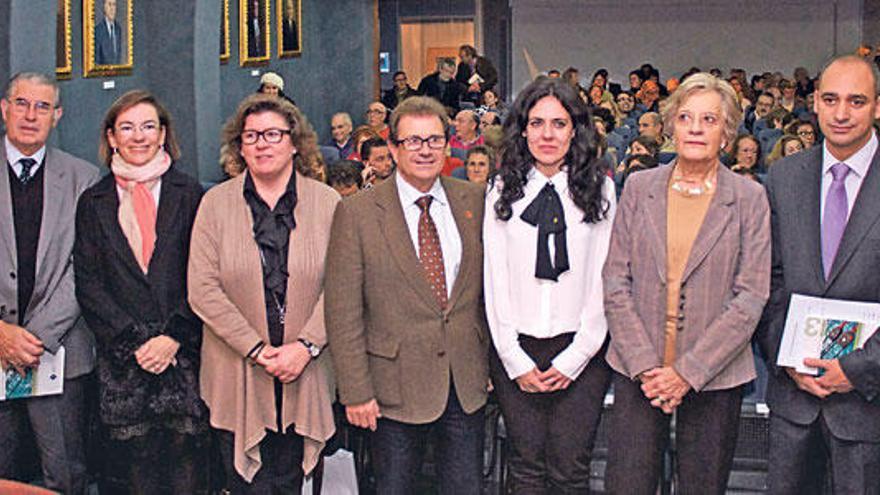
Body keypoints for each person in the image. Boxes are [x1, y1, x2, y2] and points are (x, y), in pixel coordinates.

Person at [603, 73, 771, 494]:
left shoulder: (749, 199)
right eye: (685, 117)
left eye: (709, 119)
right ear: (670, 126)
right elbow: (615, 281)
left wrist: (687, 373)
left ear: (727, 133)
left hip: (715, 376)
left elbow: (750, 297)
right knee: (627, 485)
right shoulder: (639, 188)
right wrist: (646, 366)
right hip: (637, 370)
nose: (696, 128)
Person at [325, 96, 488, 494]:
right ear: (394, 148)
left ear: (448, 145)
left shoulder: (474, 201)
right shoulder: (358, 212)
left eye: (433, 140)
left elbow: (489, 292)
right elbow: (343, 310)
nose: (425, 150)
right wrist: (356, 391)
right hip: (389, 389)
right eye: (413, 141)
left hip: (464, 384)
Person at [188, 94, 337, 493]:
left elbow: (343, 286)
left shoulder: (328, 204)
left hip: (304, 371)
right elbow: (202, 289)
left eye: (273, 134)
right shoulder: (214, 204)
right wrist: (255, 349)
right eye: (250, 136)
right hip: (236, 371)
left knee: (288, 483)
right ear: (239, 147)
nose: (261, 144)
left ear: (294, 143)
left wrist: (306, 346)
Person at [484, 76, 615, 493]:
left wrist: (576, 357)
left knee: (570, 467)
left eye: (558, 123)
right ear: (522, 128)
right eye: (537, 122)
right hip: (516, 349)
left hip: (582, 350)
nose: (547, 134)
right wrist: (513, 356)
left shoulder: (601, 188)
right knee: (525, 465)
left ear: (575, 129)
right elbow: (495, 278)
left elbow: (604, 279)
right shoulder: (501, 189)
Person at [73, 90, 207, 494]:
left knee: (187, 468)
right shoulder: (92, 202)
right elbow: (88, 282)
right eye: (127, 127)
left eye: (148, 126)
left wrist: (172, 338)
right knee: (134, 471)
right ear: (111, 137)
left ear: (163, 133)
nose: (138, 136)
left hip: (182, 356)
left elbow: (206, 274)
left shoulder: (192, 195)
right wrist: (136, 341)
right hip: (123, 362)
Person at [758, 55, 880, 494]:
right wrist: (787, 358)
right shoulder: (784, 177)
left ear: (878, 107)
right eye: (830, 99)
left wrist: (860, 368)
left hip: (869, 407)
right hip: (794, 404)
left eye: (857, 101)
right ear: (815, 103)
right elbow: (767, 282)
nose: (842, 113)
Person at [0, 72, 100, 494]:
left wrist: (34, 338)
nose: (30, 115)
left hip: (58, 352)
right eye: (21, 103)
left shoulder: (85, 178)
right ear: (3, 108)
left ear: (57, 116)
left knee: (65, 475)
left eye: (43, 107)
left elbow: (87, 266)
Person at [94, 0, 122, 65]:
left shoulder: (118, 29)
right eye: (109, 4)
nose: (112, 8)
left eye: (114, 5)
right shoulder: (98, 30)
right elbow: (97, 60)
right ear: (104, 7)